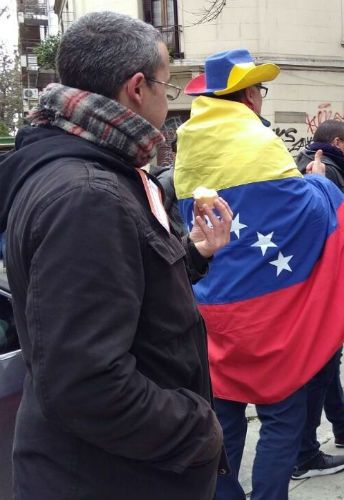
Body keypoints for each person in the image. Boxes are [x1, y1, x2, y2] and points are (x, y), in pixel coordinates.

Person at [0, 11, 233, 500]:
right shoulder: (88, 194)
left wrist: (193, 254)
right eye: (167, 89)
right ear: (136, 87)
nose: (166, 104)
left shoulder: (90, 169)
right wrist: (198, 430)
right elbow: (86, 383)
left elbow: (128, 291)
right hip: (110, 477)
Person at [173, 49, 344, 500]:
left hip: (215, 311)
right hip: (269, 317)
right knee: (282, 419)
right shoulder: (258, 141)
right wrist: (320, 182)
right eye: (260, 90)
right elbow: (300, 213)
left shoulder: (188, 142)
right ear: (248, 94)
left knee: (223, 423)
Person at [291, 119, 344, 479]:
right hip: (321, 286)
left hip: (311, 284)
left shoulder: (307, 163)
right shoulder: (327, 175)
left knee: (328, 361)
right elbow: (331, 233)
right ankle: (304, 453)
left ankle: (341, 421)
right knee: (320, 367)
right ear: (338, 142)